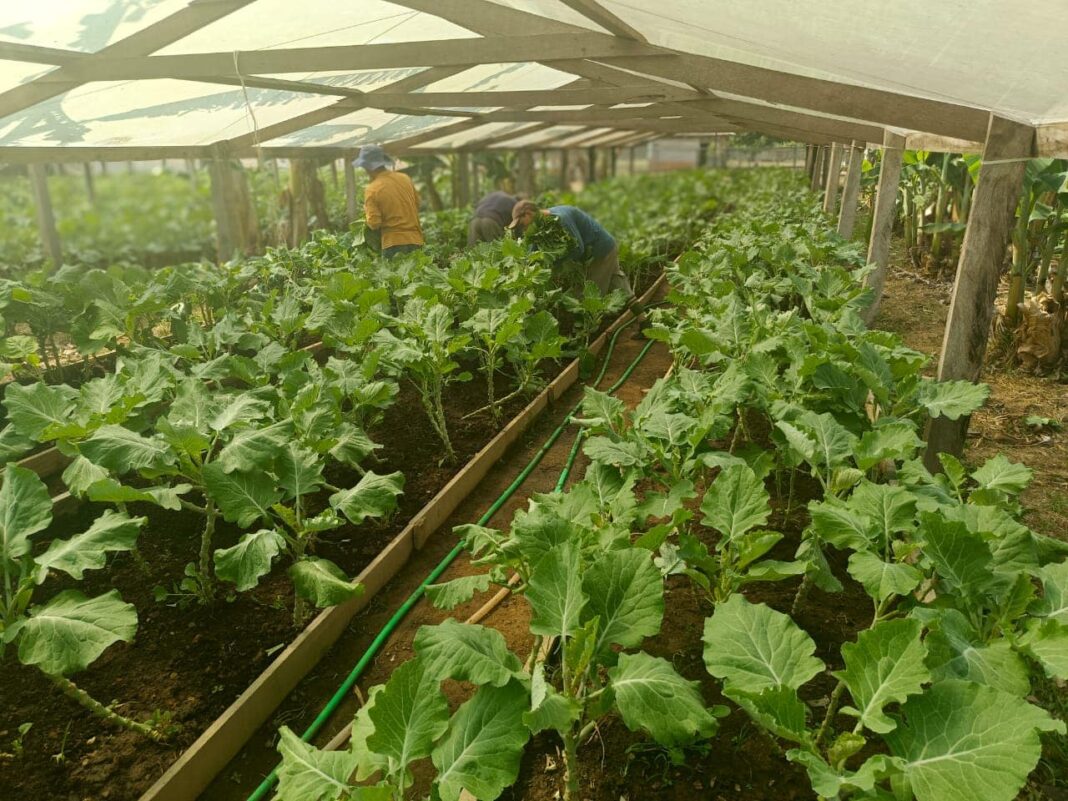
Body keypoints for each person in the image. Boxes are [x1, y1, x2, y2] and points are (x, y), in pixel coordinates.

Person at [507, 199, 633, 298]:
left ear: (529, 213)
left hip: (601, 251)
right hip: (598, 251)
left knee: (591, 295)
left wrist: (555, 264)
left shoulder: (561, 218)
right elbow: (533, 246)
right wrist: (528, 263)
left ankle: (598, 329)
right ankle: (640, 319)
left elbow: (578, 249)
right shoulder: (542, 222)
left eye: (522, 224)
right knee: (619, 286)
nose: (523, 229)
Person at [354, 144, 424, 259]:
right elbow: (417, 203)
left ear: (368, 167)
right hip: (416, 240)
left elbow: (374, 223)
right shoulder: (405, 178)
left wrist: (366, 212)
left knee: (395, 276)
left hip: (393, 244)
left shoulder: (372, 189)